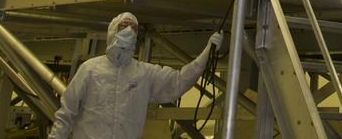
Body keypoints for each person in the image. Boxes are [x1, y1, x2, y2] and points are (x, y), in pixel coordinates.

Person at [50, 11, 222, 138]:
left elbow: (178, 82)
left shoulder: (144, 74)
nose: (129, 31)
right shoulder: (90, 69)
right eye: (124, 26)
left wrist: (206, 55)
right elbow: (66, 114)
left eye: (133, 28)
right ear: (112, 31)